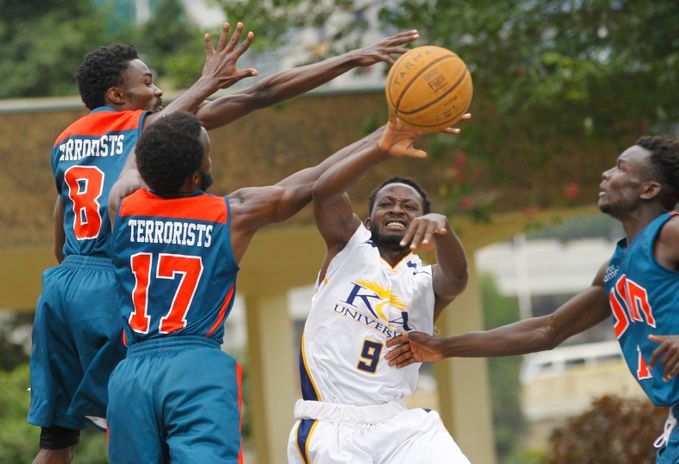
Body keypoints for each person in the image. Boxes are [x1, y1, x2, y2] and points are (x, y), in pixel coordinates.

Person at [29, 19, 419, 462]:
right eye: (149, 82)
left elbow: (62, 229)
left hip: (62, 289)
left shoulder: (73, 150)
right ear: (119, 95)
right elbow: (262, 97)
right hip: (153, 329)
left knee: (56, 444)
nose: (158, 93)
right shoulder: (174, 157)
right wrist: (356, 71)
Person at [386, 136, 679, 463]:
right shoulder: (617, 266)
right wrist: (442, 347)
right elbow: (547, 329)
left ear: (649, 188)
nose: (606, 173)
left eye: (620, 168)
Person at [105, 110, 427, 462]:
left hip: (130, 374)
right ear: (196, 174)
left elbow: (141, 149)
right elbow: (314, 181)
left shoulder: (123, 204)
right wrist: (384, 137)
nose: (212, 156)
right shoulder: (234, 212)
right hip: (194, 366)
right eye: (208, 151)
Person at [288, 113, 472, 463]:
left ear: (424, 221)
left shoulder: (425, 280)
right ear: (369, 221)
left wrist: (445, 230)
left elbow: (458, 278)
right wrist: (381, 148)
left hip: (399, 423)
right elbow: (324, 191)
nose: (397, 209)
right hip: (331, 422)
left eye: (410, 206)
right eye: (386, 204)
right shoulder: (349, 248)